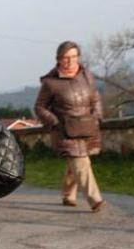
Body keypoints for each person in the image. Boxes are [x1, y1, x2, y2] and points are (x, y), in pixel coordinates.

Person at [34, 41, 106, 212]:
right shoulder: (50, 83)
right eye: (65, 58)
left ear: (78, 57)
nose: (70, 61)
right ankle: (95, 199)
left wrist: (97, 116)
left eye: (73, 57)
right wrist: (55, 122)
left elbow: (95, 98)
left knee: (76, 162)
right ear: (58, 59)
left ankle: (68, 194)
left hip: (87, 127)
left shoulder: (87, 75)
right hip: (65, 130)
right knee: (81, 161)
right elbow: (39, 107)